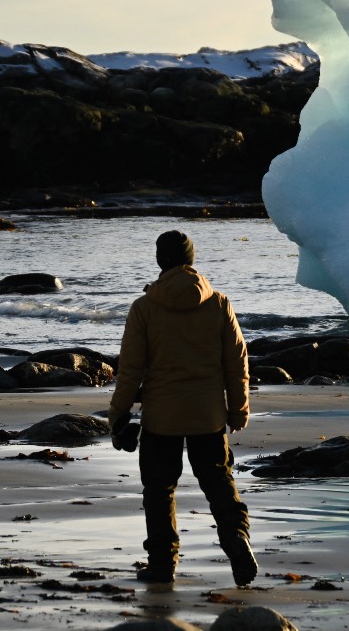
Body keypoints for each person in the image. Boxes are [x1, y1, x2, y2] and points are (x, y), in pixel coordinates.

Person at [109, 230, 257, 587]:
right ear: (191, 260)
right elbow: (237, 361)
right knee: (219, 482)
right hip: (208, 415)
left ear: (160, 260)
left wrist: (118, 416)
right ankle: (236, 537)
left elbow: (130, 369)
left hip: (161, 417)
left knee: (159, 491)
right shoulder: (219, 303)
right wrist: (238, 410)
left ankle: (163, 564)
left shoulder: (144, 308)